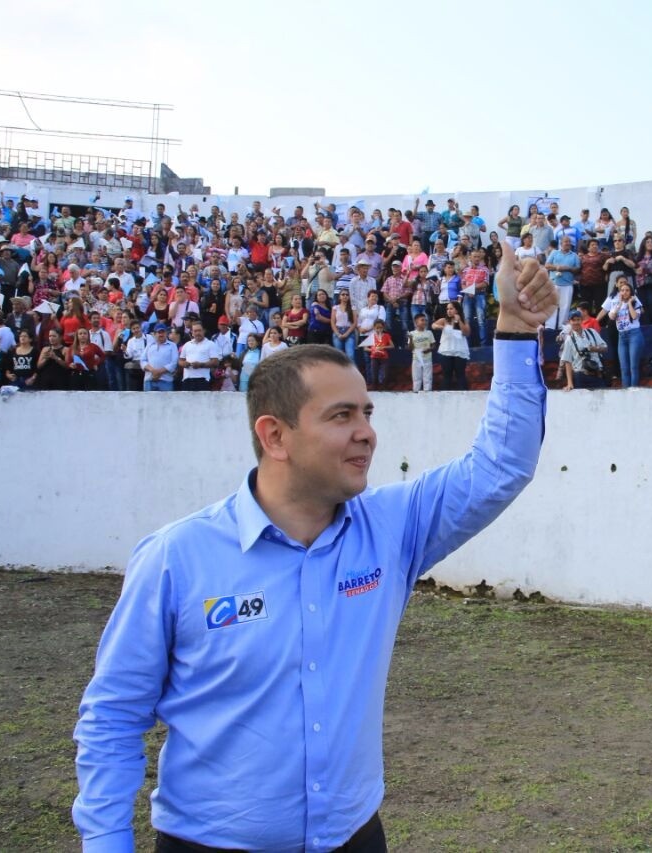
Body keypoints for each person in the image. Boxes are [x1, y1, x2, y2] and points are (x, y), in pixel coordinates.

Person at [73, 239, 554, 852]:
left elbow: (501, 465)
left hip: (354, 839)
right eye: (341, 416)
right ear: (275, 435)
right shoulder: (177, 557)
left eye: (368, 412)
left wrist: (513, 329)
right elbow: (114, 717)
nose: (367, 434)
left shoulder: (392, 528)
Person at [602, 281, 643, 388]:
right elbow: (611, 317)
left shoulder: (635, 302)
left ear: (631, 292)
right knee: (624, 367)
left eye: (627, 290)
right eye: (622, 290)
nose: (624, 292)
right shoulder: (615, 303)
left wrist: (629, 304)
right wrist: (620, 304)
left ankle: (633, 389)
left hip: (634, 334)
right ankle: (625, 389)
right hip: (622, 336)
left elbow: (634, 317)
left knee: (633, 366)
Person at [559, 309, 607, 390]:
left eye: (578, 320)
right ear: (569, 322)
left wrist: (594, 349)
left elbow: (605, 348)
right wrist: (570, 383)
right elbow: (567, 362)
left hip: (597, 373)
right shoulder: (569, 339)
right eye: (573, 320)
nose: (576, 322)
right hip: (580, 375)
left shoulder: (592, 332)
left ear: (582, 320)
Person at [433, 301, 469, 390]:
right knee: (446, 376)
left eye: (451, 308)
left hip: (459, 351)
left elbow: (466, 333)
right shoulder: (444, 320)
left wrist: (459, 320)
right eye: (447, 309)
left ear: (457, 310)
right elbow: (433, 325)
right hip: (447, 351)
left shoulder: (464, 320)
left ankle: (463, 397)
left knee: (460, 375)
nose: (449, 311)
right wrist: (439, 327)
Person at [180, 322, 220, 391]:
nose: (198, 333)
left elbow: (216, 362)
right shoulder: (187, 345)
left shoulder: (210, 344)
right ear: (192, 332)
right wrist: (184, 364)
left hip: (202, 380)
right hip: (187, 379)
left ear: (203, 331)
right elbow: (180, 360)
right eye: (195, 331)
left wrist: (201, 365)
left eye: (199, 330)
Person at [141, 323, 179, 391]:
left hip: (166, 381)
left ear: (166, 333)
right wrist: (152, 370)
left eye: (163, 332)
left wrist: (158, 372)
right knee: (148, 401)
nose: (161, 334)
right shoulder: (149, 345)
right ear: (155, 334)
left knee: (166, 402)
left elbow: (174, 363)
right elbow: (142, 360)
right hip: (149, 380)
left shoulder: (172, 345)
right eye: (159, 332)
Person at [408, 312, 435, 392]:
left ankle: (427, 394)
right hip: (416, 359)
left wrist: (429, 349)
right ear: (416, 323)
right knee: (416, 378)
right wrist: (411, 339)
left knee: (428, 378)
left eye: (425, 320)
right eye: (422, 320)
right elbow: (410, 348)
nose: (424, 322)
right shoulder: (412, 333)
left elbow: (433, 345)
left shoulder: (429, 333)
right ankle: (416, 394)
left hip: (427, 359)